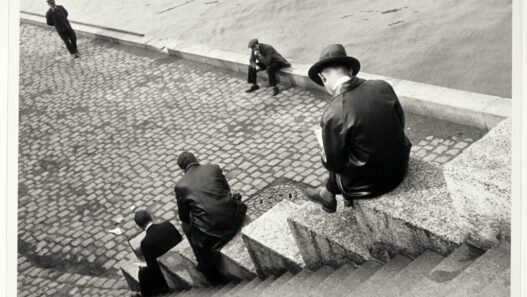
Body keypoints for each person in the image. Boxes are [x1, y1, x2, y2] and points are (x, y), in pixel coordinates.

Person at [304, 44, 412, 213]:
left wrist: (323, 147)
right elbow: (400, 123)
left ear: (323, 78)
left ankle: (328, 194)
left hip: (368, 186)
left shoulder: (333, 111)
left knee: (337, 151)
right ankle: (327, 194)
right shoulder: (382, 86)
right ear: (351, 72)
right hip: (400, 168)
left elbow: (334, 164)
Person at [174, 152, 247, 285]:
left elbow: (183, 217)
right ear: (195, 159)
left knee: (186, 227)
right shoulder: (213, 168)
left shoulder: (181, 186)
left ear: (182, 169)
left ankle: (206, 267)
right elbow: (227, 190)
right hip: (234, 216)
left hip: (213, 233)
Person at [133, 210, 182, 297]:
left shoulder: (145, 243)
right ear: (150, 217)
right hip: (181, 261)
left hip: (167, 276)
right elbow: (180, 239)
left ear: (140, 226)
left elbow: (153, 269)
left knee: (142, 272)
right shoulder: (168, 225)